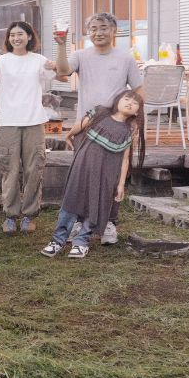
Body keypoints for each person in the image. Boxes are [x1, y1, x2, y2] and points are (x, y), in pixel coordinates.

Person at [53, 12, 146, 245]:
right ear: (88, 33)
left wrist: (136, 121)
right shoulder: (80, 56)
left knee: (111, 178)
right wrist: (62, 45)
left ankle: (109, 223)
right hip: (87, 126)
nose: (98, 33)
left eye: (104, 28)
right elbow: (62, 71)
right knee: (83, 176)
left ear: (114, 31)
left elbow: (138, 91)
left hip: (117, 127)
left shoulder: (125, 59)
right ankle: (79, 221)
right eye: (93, 28)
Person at [40, 91, 145, 258]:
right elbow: (80, 125)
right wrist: (69, 135)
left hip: (107, 175)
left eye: (134, 103)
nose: (129, 103)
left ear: (137, 111)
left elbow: (125, 159)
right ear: (117, 101)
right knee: (71, 201)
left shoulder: (128, 131)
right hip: (83, 166)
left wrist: (120, 184)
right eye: (126, 99)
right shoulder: (100, 112)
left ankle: (82, 242)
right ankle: (57, 241)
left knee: (96, 204)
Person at [0, 21, 56, 234]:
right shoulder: (2, 60)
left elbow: (59, 75)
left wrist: (54, 66)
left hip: (34, 121)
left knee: (34, 169)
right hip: (9, 123)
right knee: (9, 169)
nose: (16, 38)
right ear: (8, 39)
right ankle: (10, 215)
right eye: (12, 34)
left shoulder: (38, 60)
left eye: (20, 34)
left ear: (29, 36)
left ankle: (30, 215)